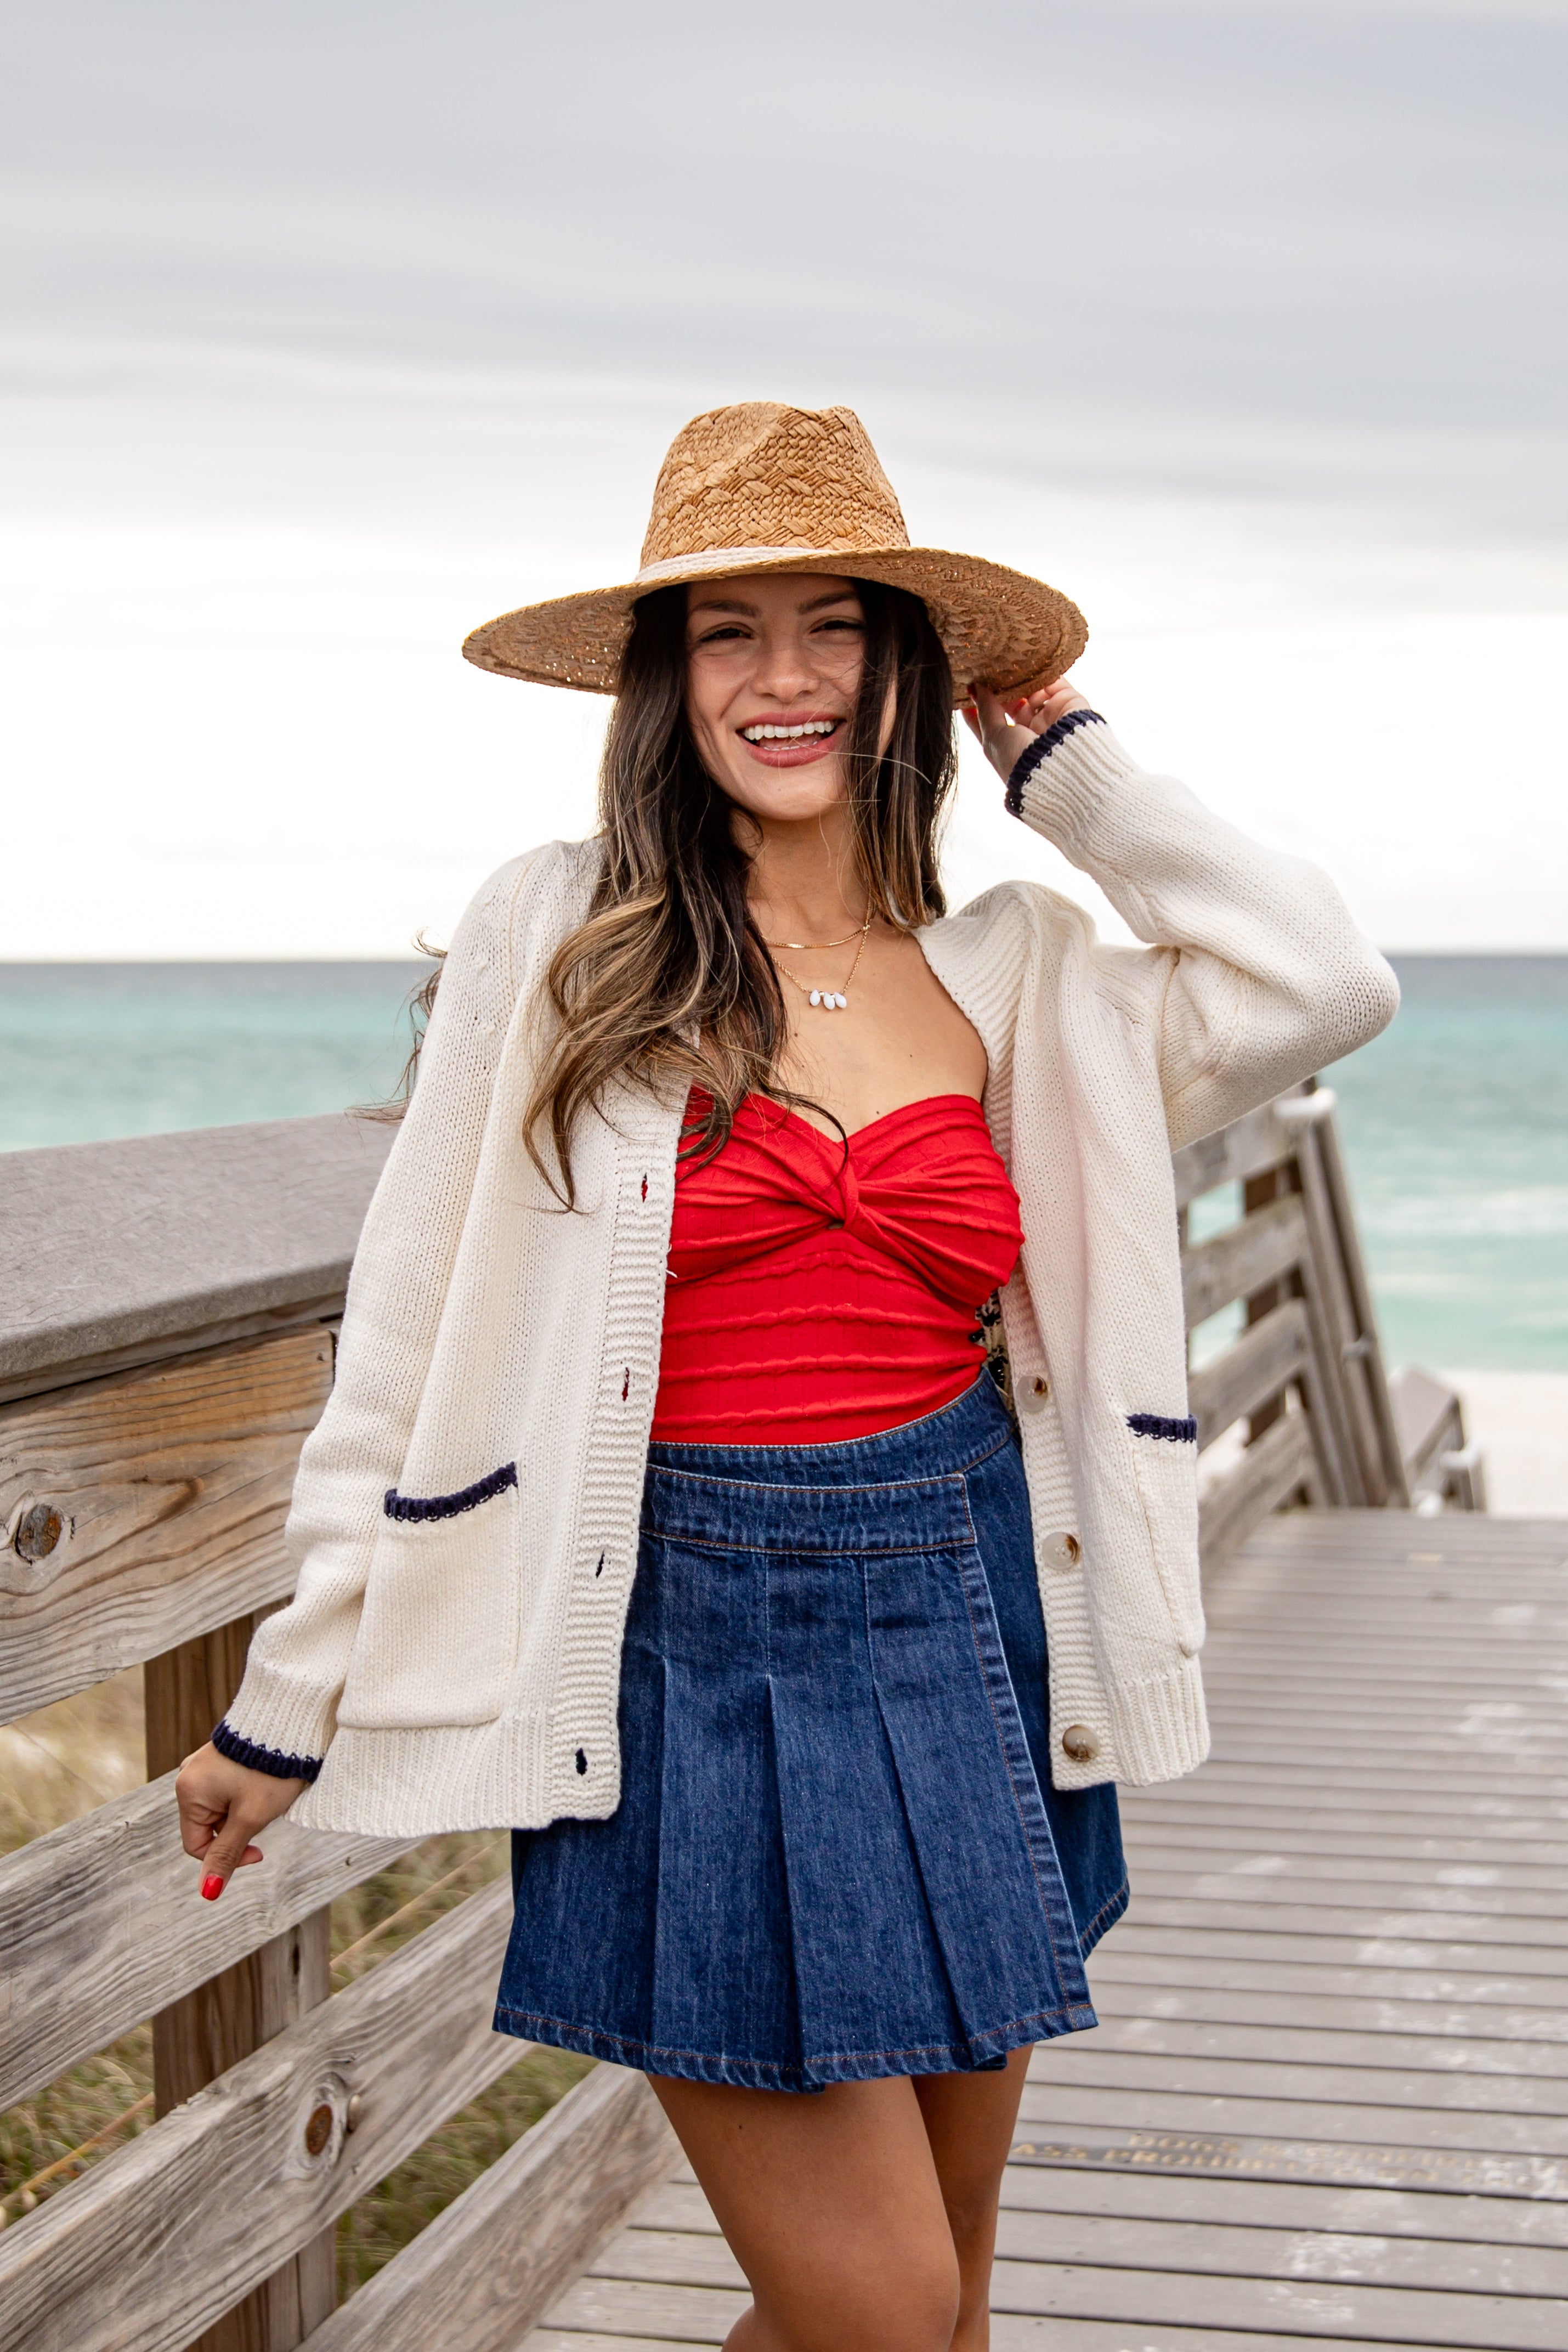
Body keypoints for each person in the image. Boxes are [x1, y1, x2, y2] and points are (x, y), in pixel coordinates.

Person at [176, 403, 1398, 2351]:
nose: (784, 677)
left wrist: (1060, 756)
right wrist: (287, 1698)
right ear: (664, 682)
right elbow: (406, 1341)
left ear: (907, 669)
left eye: (833, 625)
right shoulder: (563, 933)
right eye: (726, 631)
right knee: (888, 2318)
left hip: (975, 1628)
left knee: (942, 2314)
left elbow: (1318, 980)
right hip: (686, 1651)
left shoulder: (1018, 971)